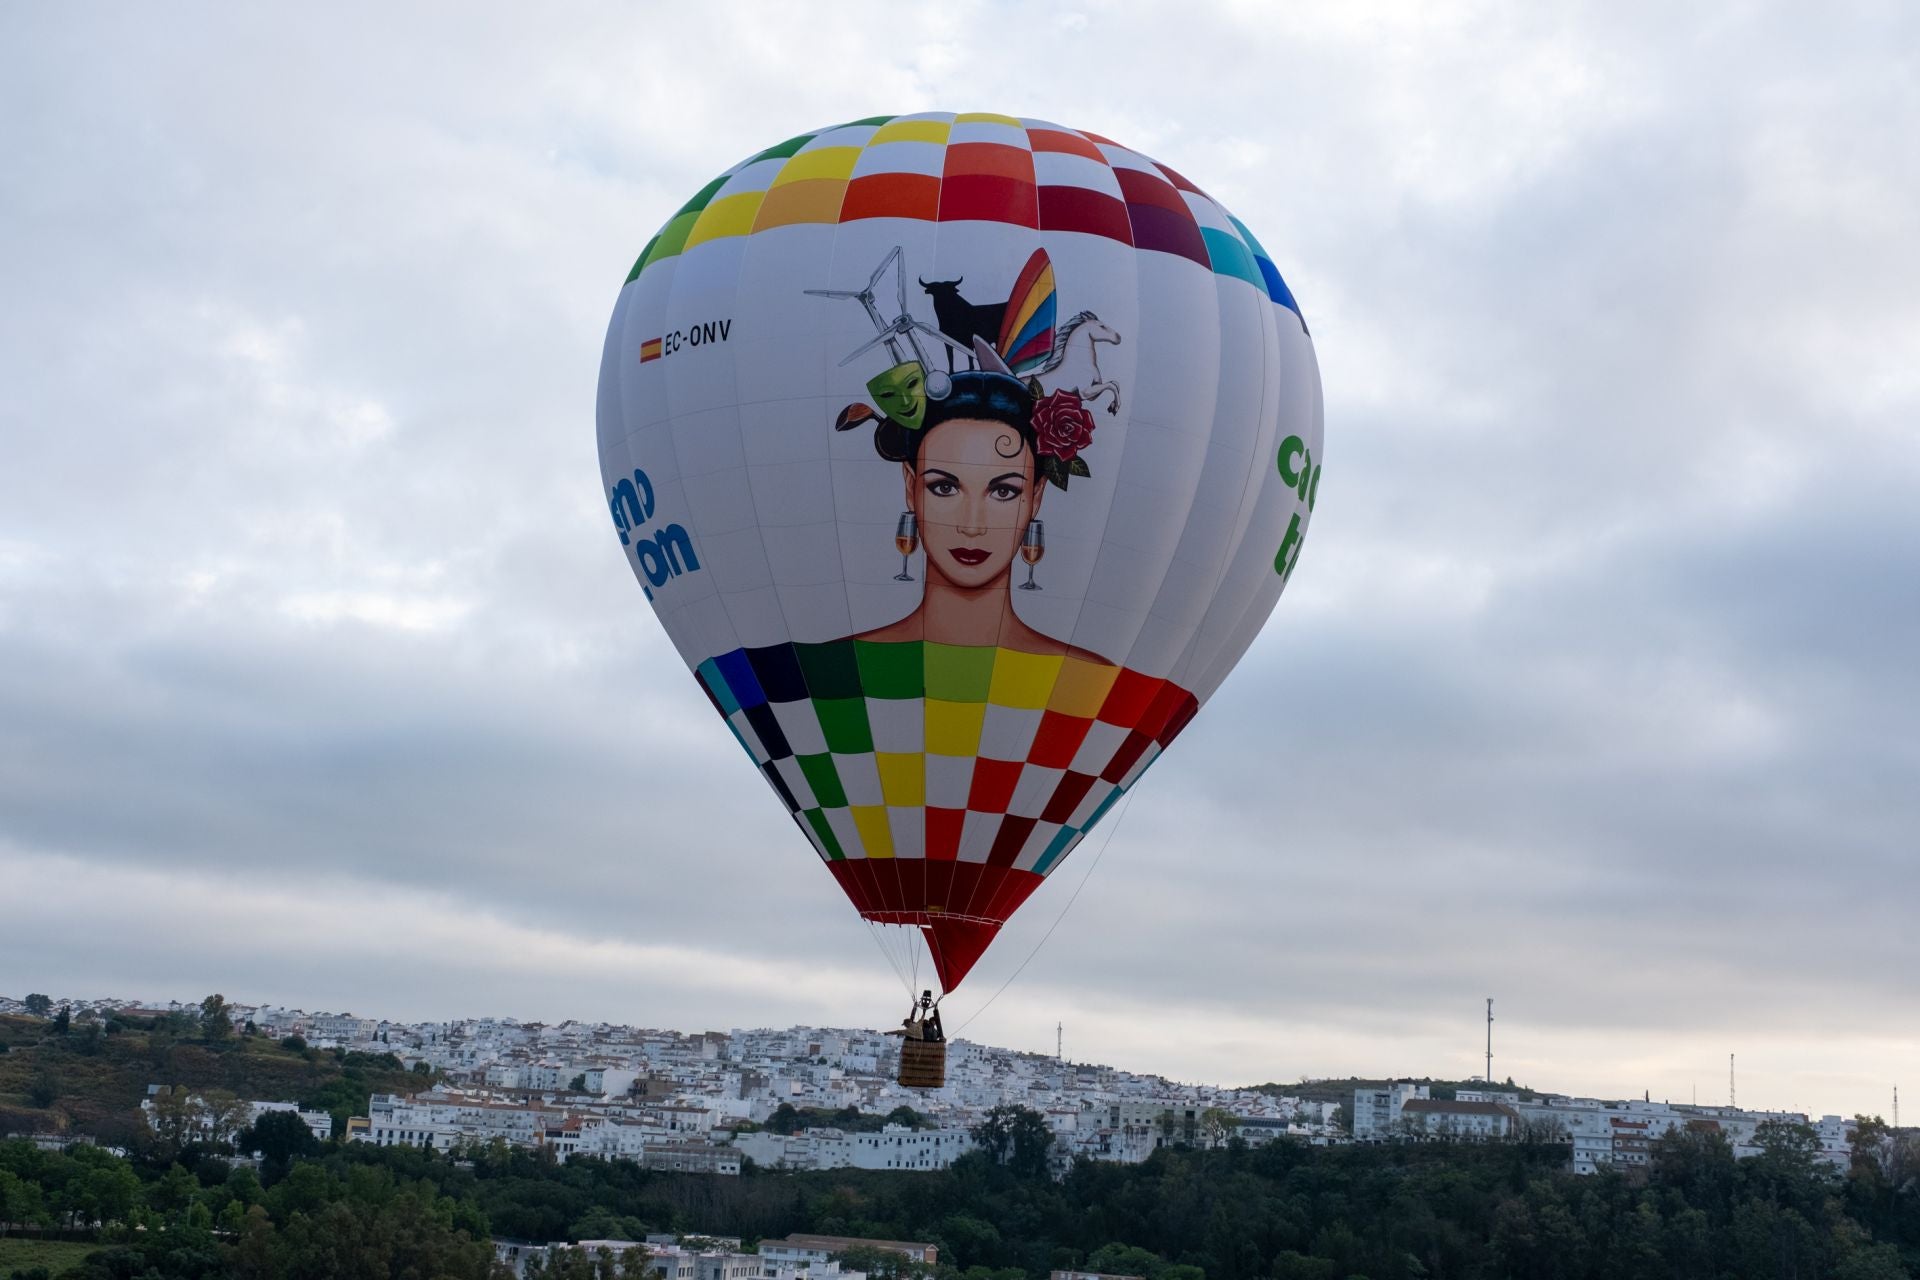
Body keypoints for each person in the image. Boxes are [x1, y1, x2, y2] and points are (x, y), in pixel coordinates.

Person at [854, 363, 1112, 663]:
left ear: (1036, 496)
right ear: (911, 487)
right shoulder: (841, 667)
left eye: (1004, 492)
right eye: (945, 488)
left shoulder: (1084, 676)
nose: (972, 526)